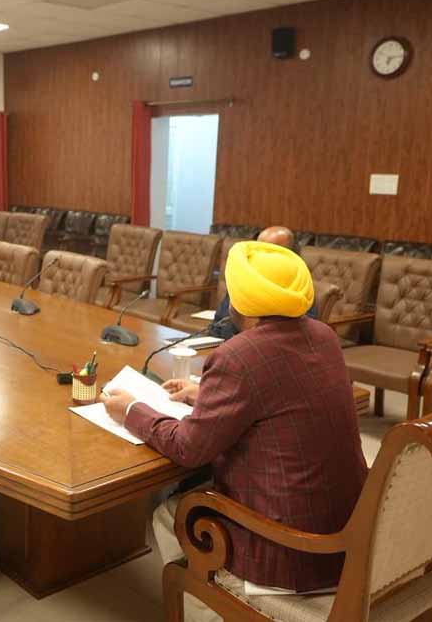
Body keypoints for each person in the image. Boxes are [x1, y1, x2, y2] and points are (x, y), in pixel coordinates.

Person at [101, 241, 367, 595]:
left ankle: (210, 608)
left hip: (288, 552)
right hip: (347, 536)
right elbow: (281, 394)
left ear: (239, 300)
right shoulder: (324, 336)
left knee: (170, 513)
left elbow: (188, 449)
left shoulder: (237, 356)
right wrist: (206, 395)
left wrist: (130, 410)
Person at [208, 226, 317, 340]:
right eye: (258, 248)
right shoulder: (243, 281)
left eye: (268, 252)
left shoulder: (300, 291)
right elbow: (218, 324)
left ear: (291, 256)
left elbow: (300, 335)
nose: (259, 256)